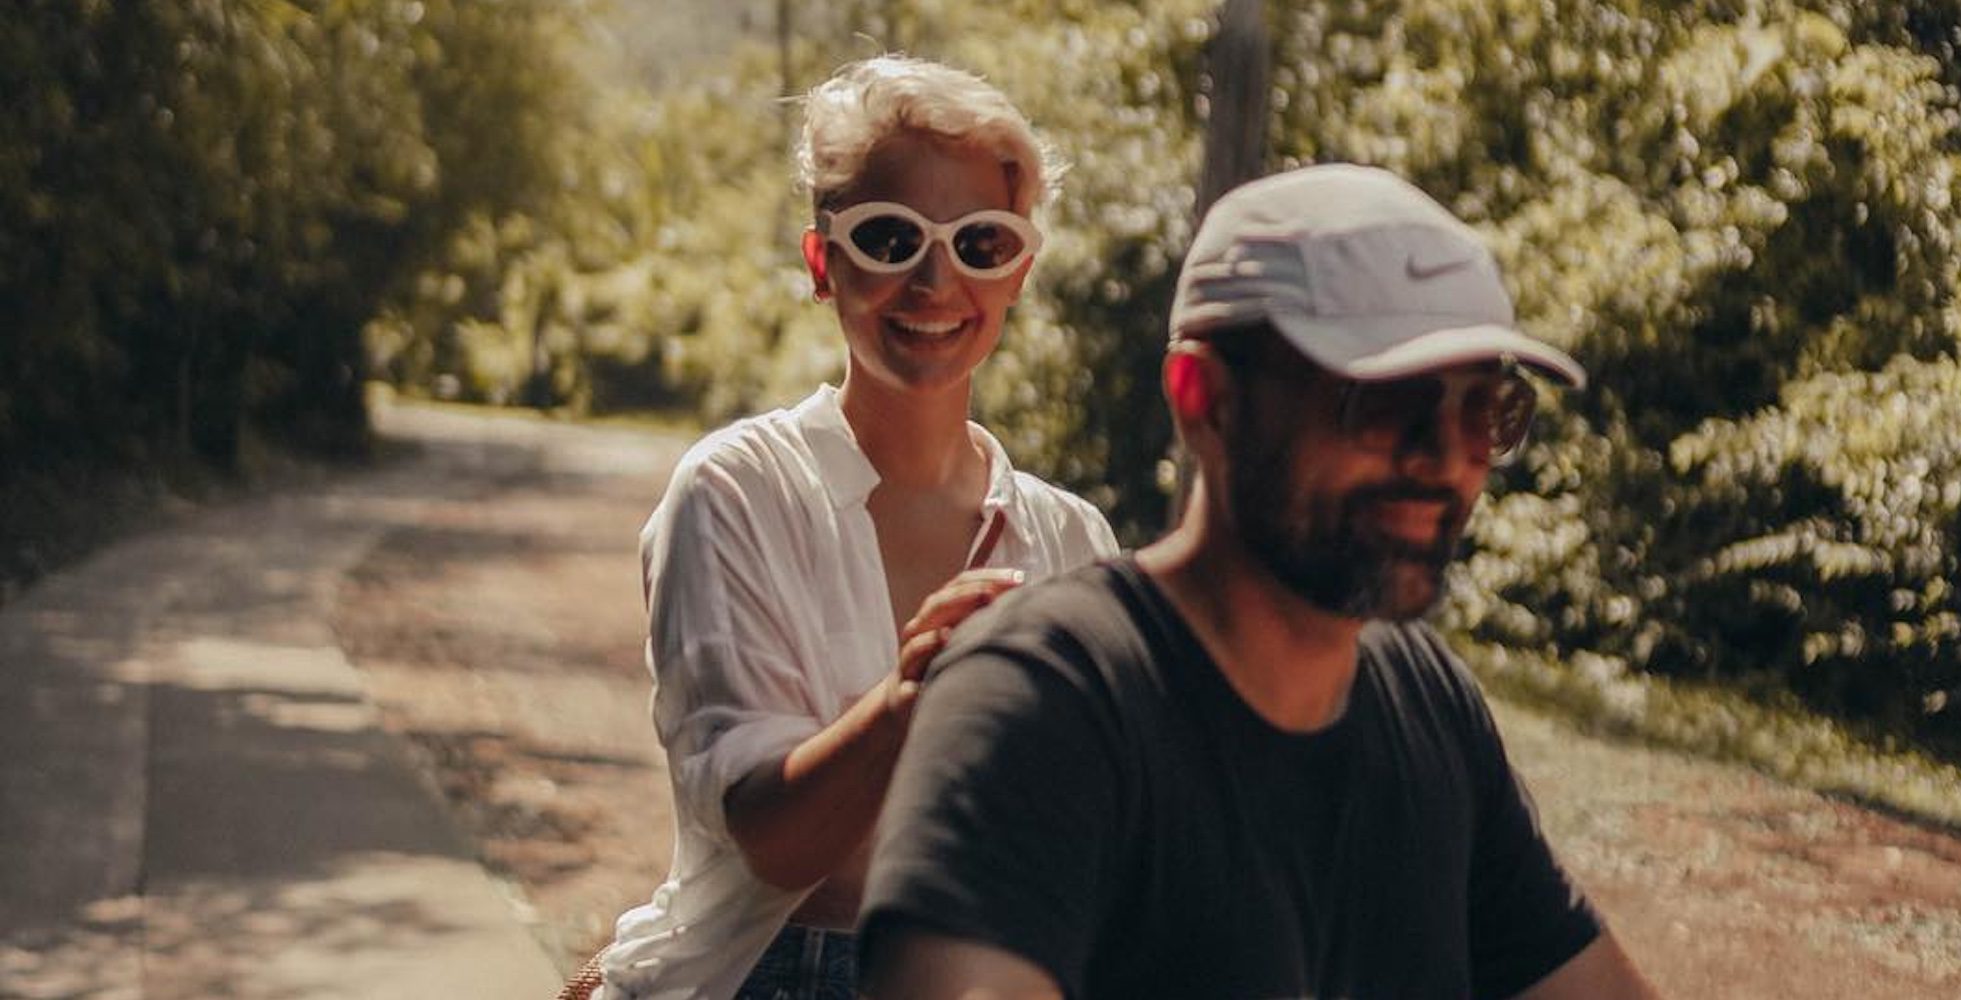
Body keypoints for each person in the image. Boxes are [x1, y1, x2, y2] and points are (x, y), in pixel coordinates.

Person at [858, 165, 1662, 998]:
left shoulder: (1428, 706)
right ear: (1204, 396)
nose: (1441, 458)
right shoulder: (1043, 704)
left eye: (1483, 411)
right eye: (1382, 403)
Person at [594, 56, 1118, 1000]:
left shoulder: (1075, 542)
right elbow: (773, 841)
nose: (934, 278)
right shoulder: (733, 492)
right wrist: (920, 693)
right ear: (821, 264)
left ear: (1020, 272)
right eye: (889, 237)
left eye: (981, 244)